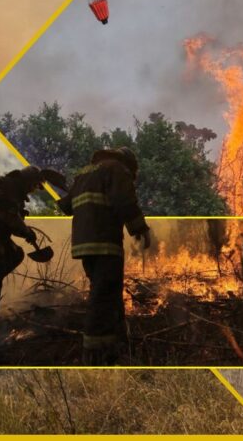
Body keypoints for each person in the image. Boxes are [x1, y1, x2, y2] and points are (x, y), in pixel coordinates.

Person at [58, 147, 151, 365]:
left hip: (84, 246)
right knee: (102, 298)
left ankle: (116, 341)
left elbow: (65, 206)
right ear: (129, 164)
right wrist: (140, 227)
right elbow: (124, 201)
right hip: (105, 243)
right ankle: (95, 353)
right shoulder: (117, 169)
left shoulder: (85, 173)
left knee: (107, 292)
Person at [0, 166, 65, 321]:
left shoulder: (17, 195)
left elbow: (12, 220)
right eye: (33, 186)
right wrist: (3, 202)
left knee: (16, 255)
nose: (33, 190)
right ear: (28, 181)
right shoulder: (5, 184)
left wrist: (25, 231)